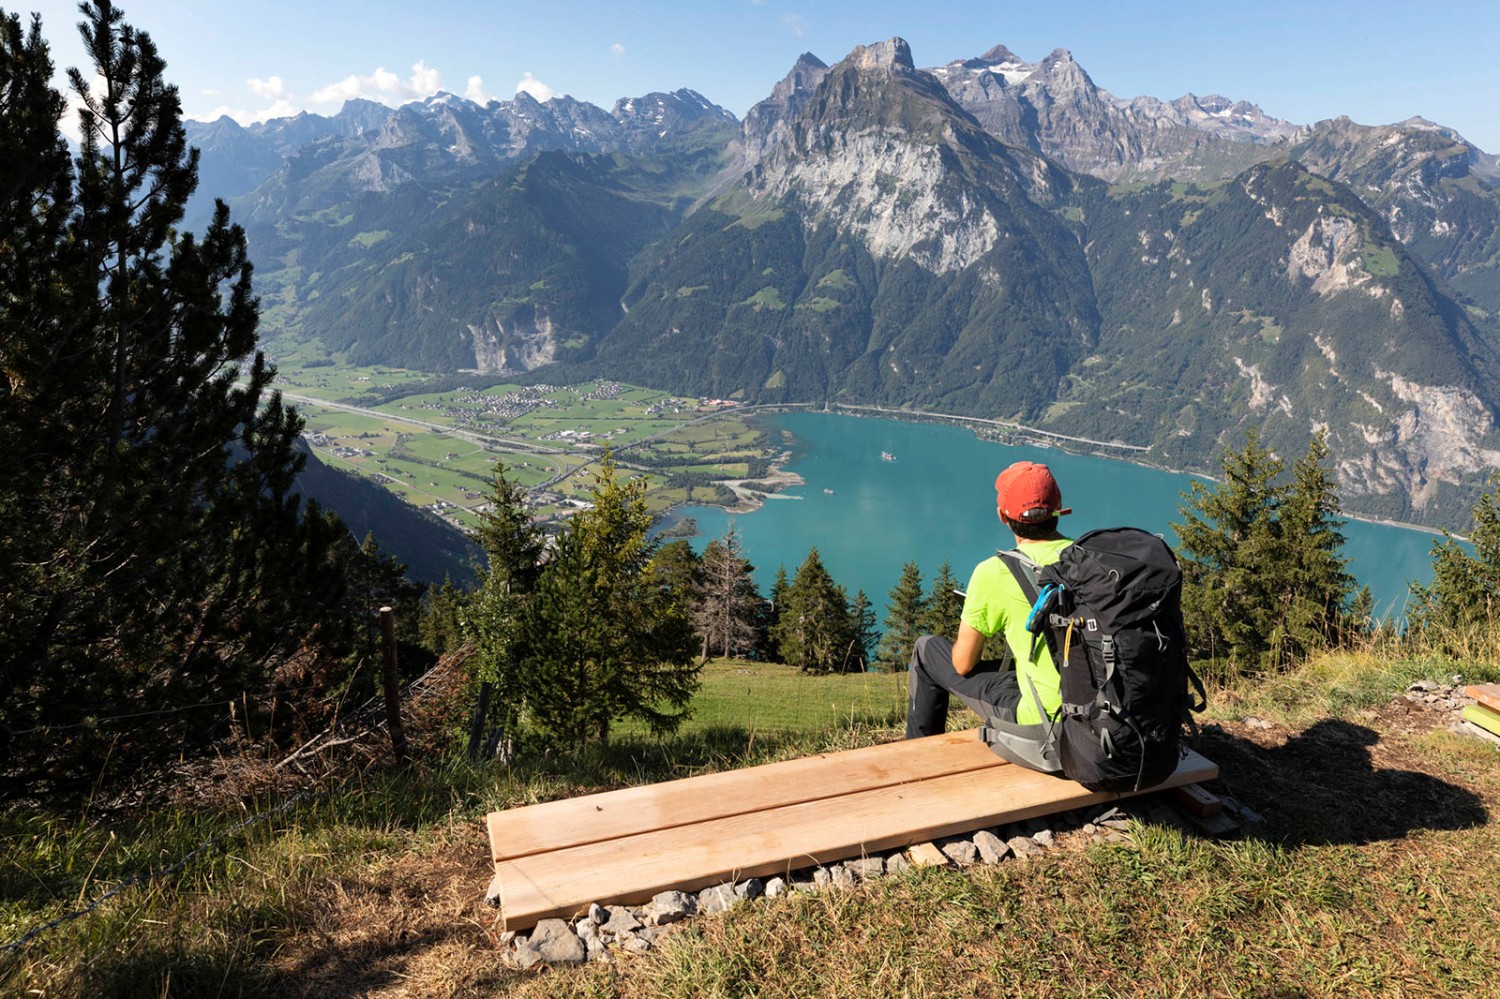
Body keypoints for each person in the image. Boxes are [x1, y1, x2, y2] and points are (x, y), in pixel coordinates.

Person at [905, 460, 1072, 766]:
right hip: (1102, 715)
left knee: (927, 651)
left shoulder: (995, 572)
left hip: (1046, 724)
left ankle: (918, 760)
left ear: (1002, 516)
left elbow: (963, 663)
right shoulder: (1087, 560)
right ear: (1059, 508)